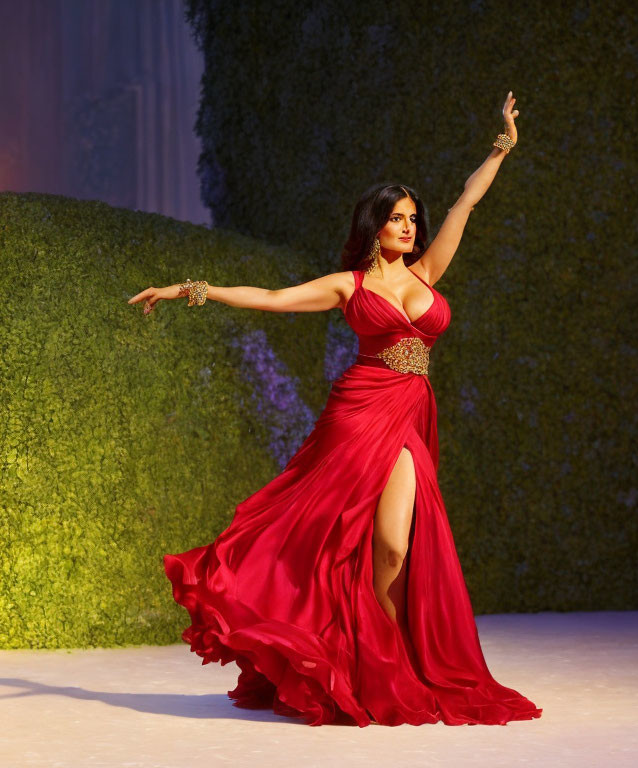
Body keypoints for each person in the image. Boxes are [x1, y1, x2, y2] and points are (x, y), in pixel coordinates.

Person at [128, 90, 542, 727]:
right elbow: (269, 297)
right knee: (338, 534)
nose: (410, 226)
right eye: (398, 218)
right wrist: (192, 288)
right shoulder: (347, 286)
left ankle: (391, 662)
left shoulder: (428, 274)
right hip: (359, 411)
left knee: (396, 548)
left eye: (412, 218)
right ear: (373, 224)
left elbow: (467, 201)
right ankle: (373, 668)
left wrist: (502, 144)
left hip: (408, 414)